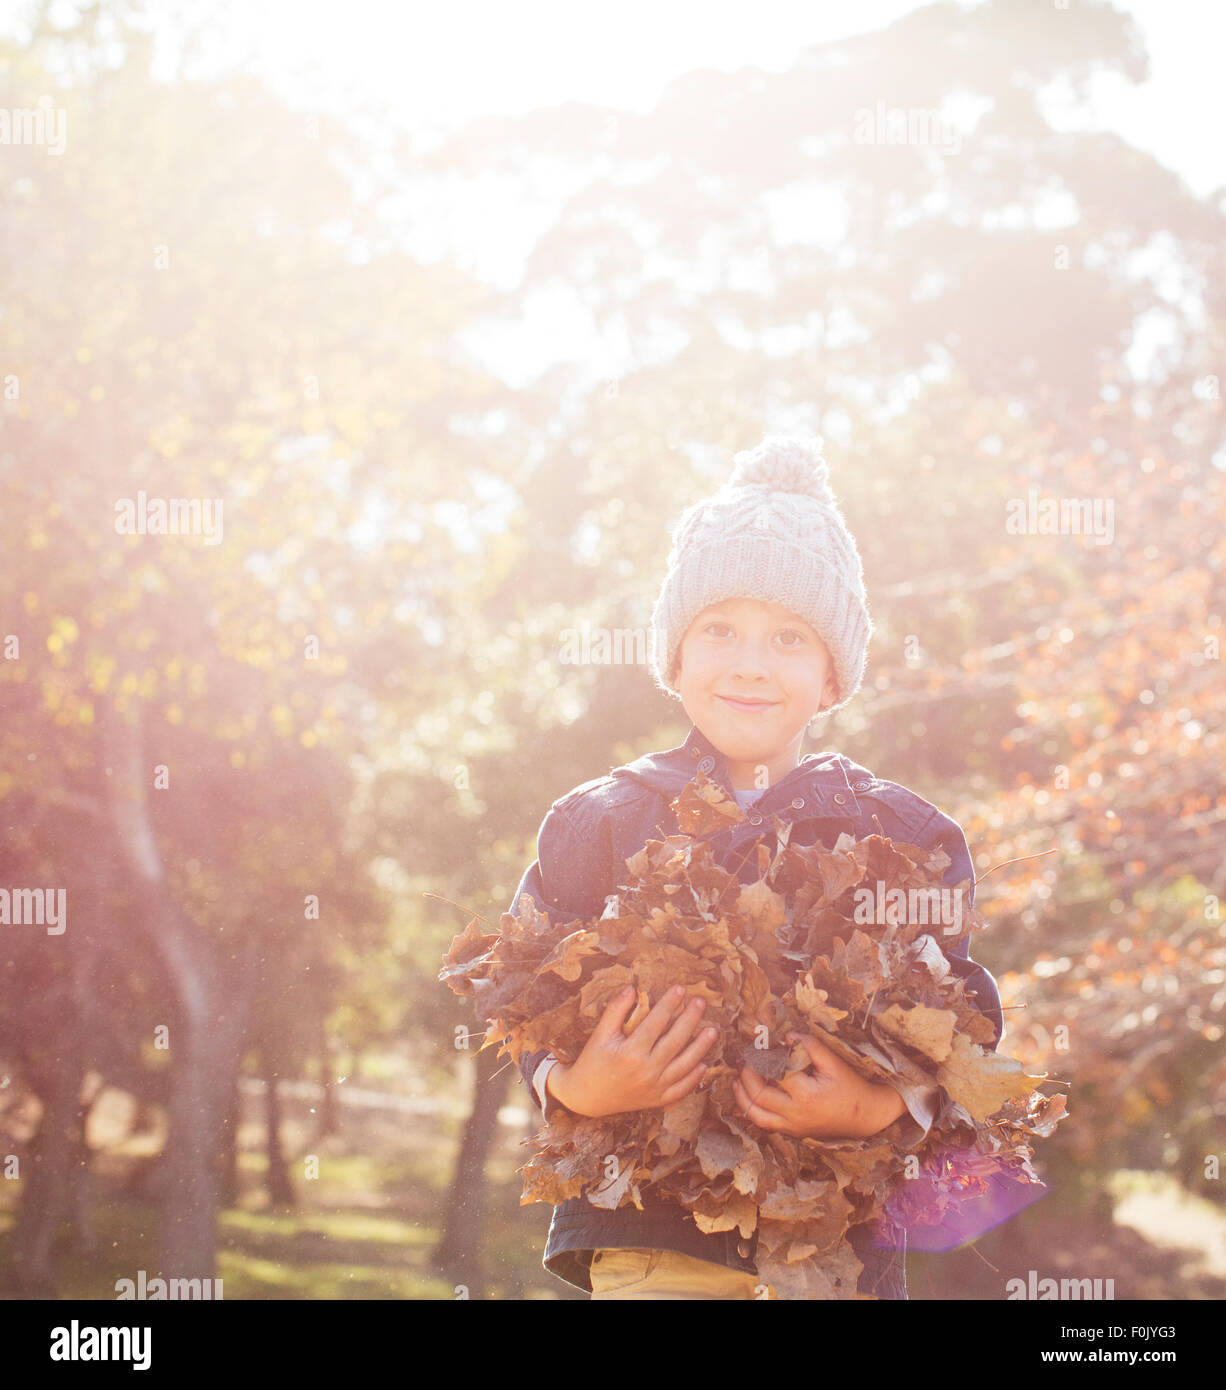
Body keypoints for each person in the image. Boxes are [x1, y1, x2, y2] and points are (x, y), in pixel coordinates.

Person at [505, 434, 1002, 1299]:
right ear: (677, 653)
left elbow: (961, 1018)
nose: (748, 663)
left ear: (832, 674)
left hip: (833, 1245)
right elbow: (525, 995)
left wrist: (879, 1106)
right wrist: (580, 1087)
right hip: (656, 1239)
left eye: (789, 638)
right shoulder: (601, 821)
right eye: (720, 628)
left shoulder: (904, 838)